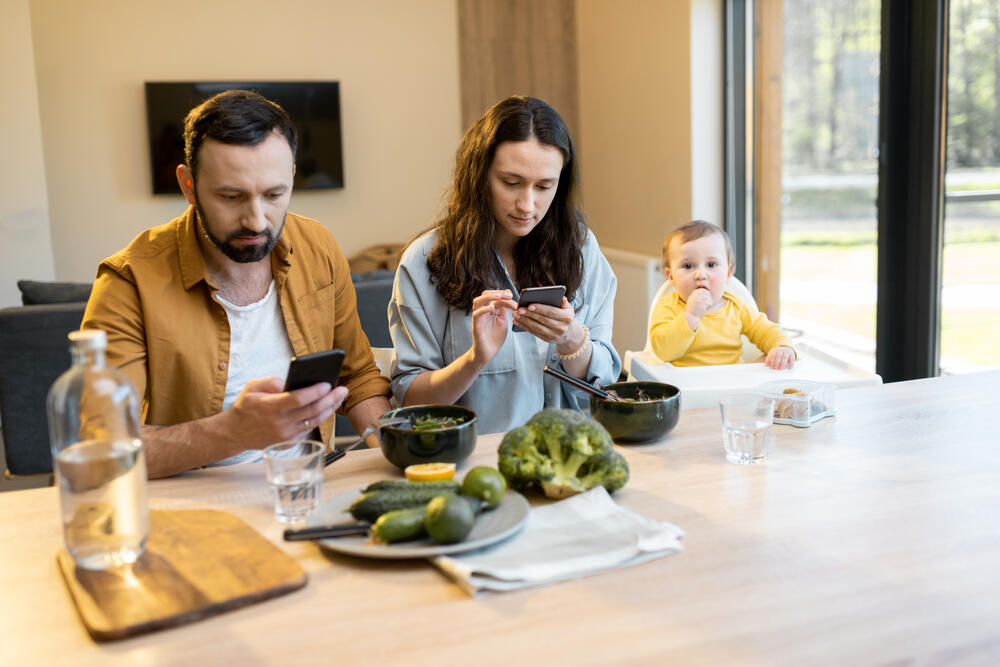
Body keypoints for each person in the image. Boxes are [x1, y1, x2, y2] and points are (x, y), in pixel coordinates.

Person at [82, 90, 391, 478]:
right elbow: (103, 450)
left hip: (309, 488)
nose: (257, 221)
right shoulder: (129, 281)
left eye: (274, 194)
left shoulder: (319, 248)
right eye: (232, 196)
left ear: (293, 175)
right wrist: (234, 432)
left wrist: (395, 453)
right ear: (188, 185)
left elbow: (358, 376)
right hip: (193, 508)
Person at [388, 95, 621, 434]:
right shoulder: (424, 263)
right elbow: (412, 402)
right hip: (476, 465)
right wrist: (475, 359)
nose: (527, 205)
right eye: (511, 183)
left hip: (571, 453)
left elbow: (604, 384)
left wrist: (571, 339)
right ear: (479, 175)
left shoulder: (581, 249)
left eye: (544, 186)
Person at [650, 220, 795, 369]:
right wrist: (691, 316)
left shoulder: (736, 307)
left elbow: (764, 329)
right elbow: (663, 352)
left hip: (731, 382)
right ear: (671, 276)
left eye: (711, 264)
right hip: (686, 385)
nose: (701, 274)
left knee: (769, 363)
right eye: (688, 266)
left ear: (729, 273)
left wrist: (781, 346)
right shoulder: (667, 306)